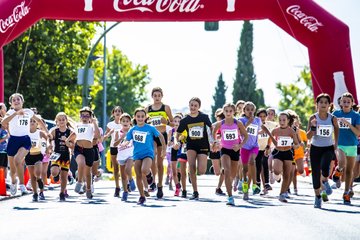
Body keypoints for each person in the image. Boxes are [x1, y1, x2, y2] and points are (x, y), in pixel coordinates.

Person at [1, 93, 47, 196]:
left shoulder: (28, 112)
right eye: (14, 100)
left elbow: (39, 120)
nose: (16, 101)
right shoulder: (10, 112)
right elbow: (4, 122)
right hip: (13, 141)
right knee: (12, 170)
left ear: (22, 102)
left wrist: (47, 132)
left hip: (25, 140)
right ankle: (14, 182)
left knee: (19, 161)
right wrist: (16, 114)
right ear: (11, 103)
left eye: (18, 99)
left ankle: (22, 186)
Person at [122, 108, 166, 205]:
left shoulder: (150, 128)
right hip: (137, 154)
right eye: (138, 116)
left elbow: (161, 136)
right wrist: (124, 144)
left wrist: (164, 149)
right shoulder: (132, 129)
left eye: (142, 116)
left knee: (144, 170)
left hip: (148, 153)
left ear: (145, 117)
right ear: (135, 117)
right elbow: (127, 139)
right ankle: (142, 196)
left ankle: (149, 175)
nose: (140, 118)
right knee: (138, 176)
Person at [175, 97, 212, 200]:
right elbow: (177, 133)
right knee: (191, 166)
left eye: (195, 105)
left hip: (203, 146)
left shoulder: (204, 117)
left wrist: (214, 141)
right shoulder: (185, 120)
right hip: (191, 145)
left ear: (199, 107)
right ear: (189, 106)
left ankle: (190, 173)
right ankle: (195, 192)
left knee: (201, 171)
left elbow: (212, 128)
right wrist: (177, 141)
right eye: (191, 105)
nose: (193, 107)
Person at [306, 93, 339, 208]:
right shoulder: (313, 118)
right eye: (321, 102)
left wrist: (336, 143)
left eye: (326, 102)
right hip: (315, 148)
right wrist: (313, 127)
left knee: (325, 166)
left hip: (328, 147)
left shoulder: (332, 118)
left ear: (329, 105)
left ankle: (325, 181)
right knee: (315, 173)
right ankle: (318, 197)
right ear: (317, 104)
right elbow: (308, 136)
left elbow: (336, 129)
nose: (323, 104)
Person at [212, 103, 248, 206]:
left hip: (235, 150)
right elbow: (214, 131)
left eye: (230, 111)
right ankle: (230, 197)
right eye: (226, 111)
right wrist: (216, 142)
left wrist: (240, 146)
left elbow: (245, 136)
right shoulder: (220, 123)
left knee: (232, 174)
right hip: (224, 150)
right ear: (223, 112)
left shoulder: (238, 123)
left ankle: (230, 185)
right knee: (227, 172)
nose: (228, 113)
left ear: (234, 112)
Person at [239, 102, 273, 200]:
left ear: (254, 111)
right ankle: (245, 186)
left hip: (254, 146)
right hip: (244, 147)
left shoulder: (257, 120)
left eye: (252, 110)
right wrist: (248, 122)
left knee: (252, 161)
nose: (250, 111)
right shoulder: (241, 120)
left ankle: (255, 184)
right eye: (247, 109)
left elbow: (262, 128)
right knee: (245, 170)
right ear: (244, 111)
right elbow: (241, 131)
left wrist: (271, 137)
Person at [145, 87, 174, 199]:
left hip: (162, 136)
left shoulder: (166, 107)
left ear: (162, 96)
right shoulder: (147, 109)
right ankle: (152, 179)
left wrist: (165, 121)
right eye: (155, 95)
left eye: (159, 95)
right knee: (151, 158)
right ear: (152, 96)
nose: (157, 97)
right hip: (151, 137)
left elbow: (172, 124)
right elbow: (142, 121)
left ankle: (160, 185)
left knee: (160, 162)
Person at [66, 107, 100, 199]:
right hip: (79, 149)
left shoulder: (92, 126)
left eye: (87, 115)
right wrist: (68, 140)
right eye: (83, 115)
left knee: (88, 173)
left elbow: (97, 135)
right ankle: (80, 181)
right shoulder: (78, 125)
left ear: (90, 117)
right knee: (81, 163)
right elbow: (74, 134)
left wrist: (94, 123)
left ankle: (88, 189)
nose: (85, 117)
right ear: (80, 116)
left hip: (89, 150)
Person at [332, 92, 360, 204]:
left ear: (352, 103)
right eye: (344, 101)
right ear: (340, 102)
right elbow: (329, 127)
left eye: (348, 101)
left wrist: (347, 124)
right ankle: (337, 171)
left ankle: (346, 192)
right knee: (342, 163)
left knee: (350, 171)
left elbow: (358, 133)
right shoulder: (336, 114)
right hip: (340, 144)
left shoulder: (356, 116)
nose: (346, 103)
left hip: (352, 145)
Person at [266, 112, 299, 203]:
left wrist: (295, 146)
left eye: (284, 120)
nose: (282, 122)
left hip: (288, 153)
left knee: (287, 174)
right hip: (278, 152)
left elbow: (296, 143)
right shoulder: (276, 130)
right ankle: (276, 176)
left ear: (288, 121)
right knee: (276, 169)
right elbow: (270, 139)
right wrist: (268, 147)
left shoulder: (291, 131)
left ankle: (282, 194)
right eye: (280, 120)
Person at [49, 112, 74, 201]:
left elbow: (73, 145)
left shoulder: (70, 132)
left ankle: (62, 193)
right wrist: (49, 146)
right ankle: (56, 175)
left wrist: (67, 142)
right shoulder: (54, 131)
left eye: (63, 119)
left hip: (65, 155)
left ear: (66, 120)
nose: (61, 121)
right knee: (54, 172)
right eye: (59, 120)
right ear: (56, 121)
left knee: (64, 177)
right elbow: (49, 140)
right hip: (56, 154)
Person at [26, 116, 49, 201]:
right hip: (28, 155)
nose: (32, 122)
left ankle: (41, 191)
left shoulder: (40, 133)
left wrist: (47, 148)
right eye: (30, 121)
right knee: (32, 176)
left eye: (34, 121)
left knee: (38, 173)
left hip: (38, 155)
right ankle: (35, 193)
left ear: (37, 124)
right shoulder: (25, 133)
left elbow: (47, 140)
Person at [103, 106, 123, 197]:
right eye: (116, 111)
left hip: (123, 148)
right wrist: (107, 135)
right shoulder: (110, 124)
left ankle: (125, 184)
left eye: (119, 111)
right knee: (115, 168)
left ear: (122, 113)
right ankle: (117, 187)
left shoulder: (125, 123)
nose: (118, 112)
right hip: (113, 146)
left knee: (124, 167)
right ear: (113, 114)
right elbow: (105, 136)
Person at [255, 108, 276, 194]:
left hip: (265, 148)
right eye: (260, 116)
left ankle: (266, 184)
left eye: (264, 116)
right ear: (257, 117)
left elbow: (281, 125)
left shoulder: (270, 124)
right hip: (256, 148)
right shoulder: (255, 124)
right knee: (258, 167)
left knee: (265, 164)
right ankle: (257, 184)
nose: (262, 118)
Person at [115, 113, 135, 201]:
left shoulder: (133, 131)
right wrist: (121, 138)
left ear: (130, 122)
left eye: (127, 121)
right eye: (123, 121)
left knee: (128, 169)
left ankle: (131, 180)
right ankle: (125, 192)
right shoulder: (117, 132)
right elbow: (115, 144)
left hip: (131, 155)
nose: (125, 122)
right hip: (121, 156)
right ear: (120, 122)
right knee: (123, 176)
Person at [211, 108, 225, 195]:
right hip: (215, 149)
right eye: (220, 117)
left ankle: (218, 188)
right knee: (217, 173)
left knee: (224, 170)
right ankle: (214, 167)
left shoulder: (229, 125)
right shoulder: (213, 125)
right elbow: (210, 137)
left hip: (224, 149)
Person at [0, 103, 9, 185]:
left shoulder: (5, 121)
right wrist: (6, 137)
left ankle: (4, 183)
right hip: (0, 150)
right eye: (3, 108)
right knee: (1, 167)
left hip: (5, 150)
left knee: (5, 167)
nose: (5, 110)